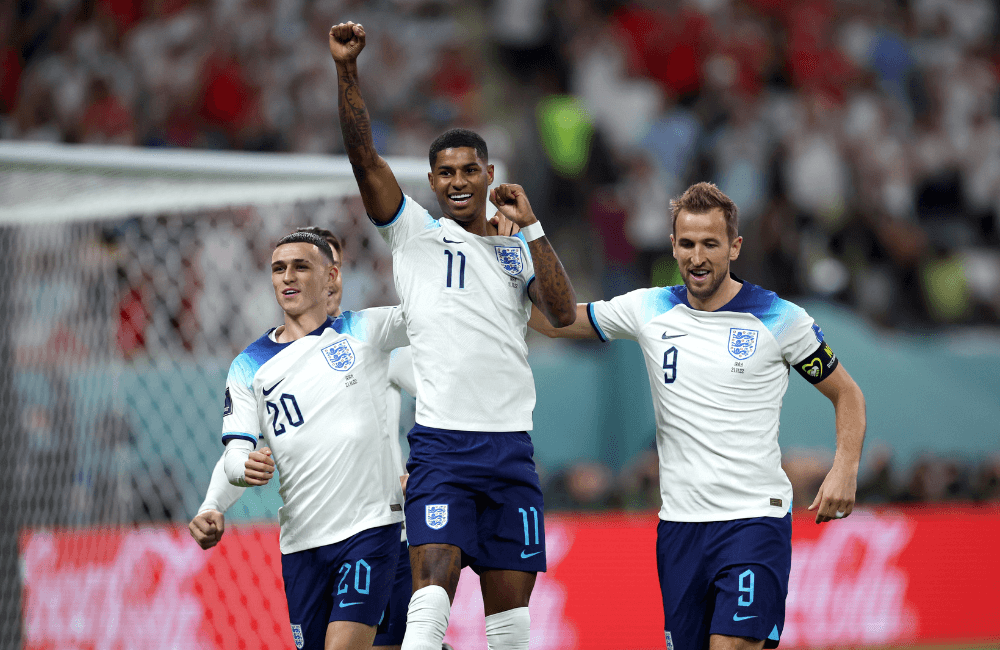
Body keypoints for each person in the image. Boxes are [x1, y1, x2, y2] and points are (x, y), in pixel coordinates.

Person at [529, 182, 867, 650]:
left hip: (754, 521)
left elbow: (847, 393)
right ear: (673, 246)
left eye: (711, 243)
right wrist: (518, 247)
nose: (698, 256)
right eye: (687, 243)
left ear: (734, 246)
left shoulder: (779, 319)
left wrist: (844, 468)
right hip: (681, 528)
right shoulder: (648, 308)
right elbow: (554, 320)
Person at [329, 20, 578, 650]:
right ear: (433, 182)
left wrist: (534, 230)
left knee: (512, 627)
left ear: (490, 174)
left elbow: (563, 311)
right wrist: (347, 70)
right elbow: (364, 157)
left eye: (471, 169)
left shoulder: (518, 250)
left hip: (511, 452)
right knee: (430, 597)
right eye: (446, 172)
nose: (459, 181)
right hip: (443, 448)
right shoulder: (413, 234)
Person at [189, 228, 447, 650]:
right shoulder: (249, 366)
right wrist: (213, 504)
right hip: (303, 543)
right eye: (278, 268)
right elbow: (236, 454)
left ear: (332, 277)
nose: (287, 276)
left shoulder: (366, 334)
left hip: (373, 529)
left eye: (301, 266)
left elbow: (433, 338)